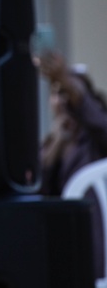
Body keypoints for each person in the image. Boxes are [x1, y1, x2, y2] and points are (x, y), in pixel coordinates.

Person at [38, 52, 107, 196]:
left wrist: (64, 79)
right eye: (55, 93)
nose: (62, 100)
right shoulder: (48, 144)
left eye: (66, 92)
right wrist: (57, 144)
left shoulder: (95, 140)